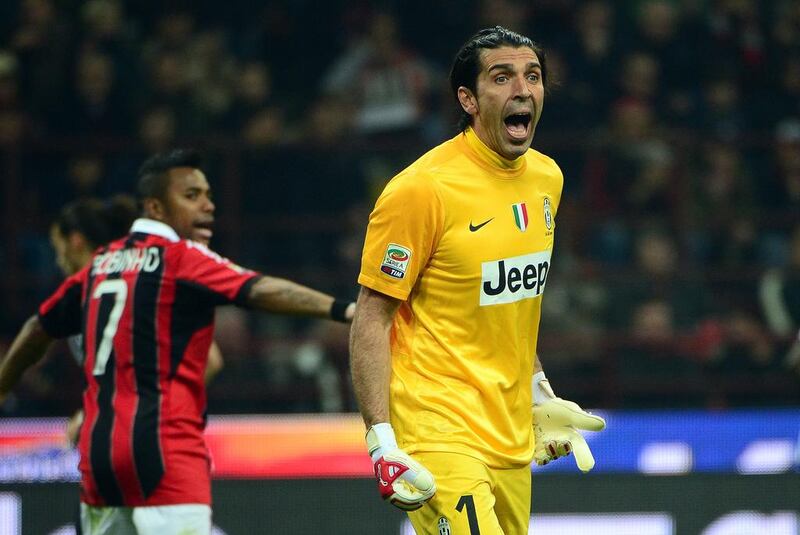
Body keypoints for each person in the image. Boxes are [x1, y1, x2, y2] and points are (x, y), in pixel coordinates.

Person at [0, 148, 355, 535]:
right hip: (166, 451)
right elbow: (260, 289)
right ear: (155, 206)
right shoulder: (181, 258)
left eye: (208, 195)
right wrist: (342, 310)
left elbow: (37, 327)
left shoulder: (101, 263)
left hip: (99, 457)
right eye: (192, 196)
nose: (208, 206)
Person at [349, 27, 604, 534]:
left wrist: (538, 391)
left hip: (509, 435)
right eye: (502, 77)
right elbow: (371, 318)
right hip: (436, 428)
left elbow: (509, 303)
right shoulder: (421, 190)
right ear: (468, 98)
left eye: (533, 76)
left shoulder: (547, 178)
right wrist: (381, 438)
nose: (522, 90)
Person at [49, 195, 225, 444]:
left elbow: (210, 360)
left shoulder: (138, 284)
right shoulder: (83, 295)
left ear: (75, 241)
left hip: (158, 437)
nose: (58, 259)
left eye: (58, 248)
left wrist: (152, 417)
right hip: (121, 439)